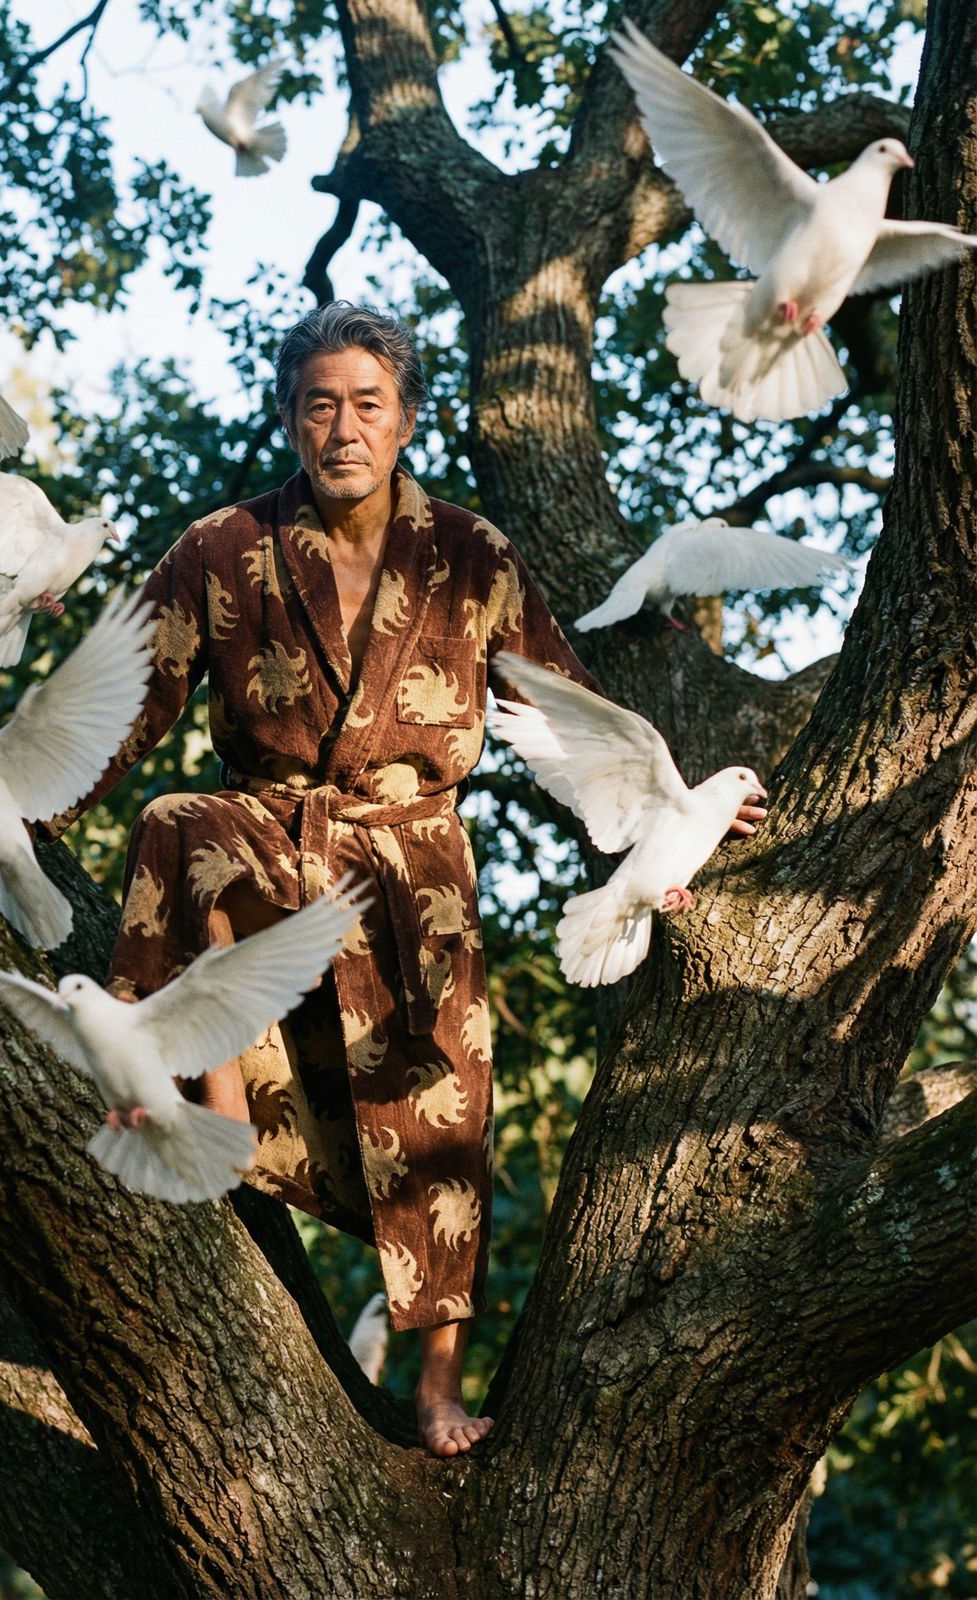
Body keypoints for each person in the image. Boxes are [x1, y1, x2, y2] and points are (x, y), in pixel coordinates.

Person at [51, 302, 759, 1455]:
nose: (341, 427)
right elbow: (127, 701)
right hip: (269, 831)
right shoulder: (220, 548)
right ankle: (214, 1117)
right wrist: (12, 804)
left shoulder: (470, 553)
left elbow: (560, 705)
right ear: (288, 416)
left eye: (365, 404)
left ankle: (433, 1390)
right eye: (318, 403)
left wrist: (688, 816)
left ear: (406, 419)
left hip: (410, 861)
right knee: (181, 820)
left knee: (439, 1120)